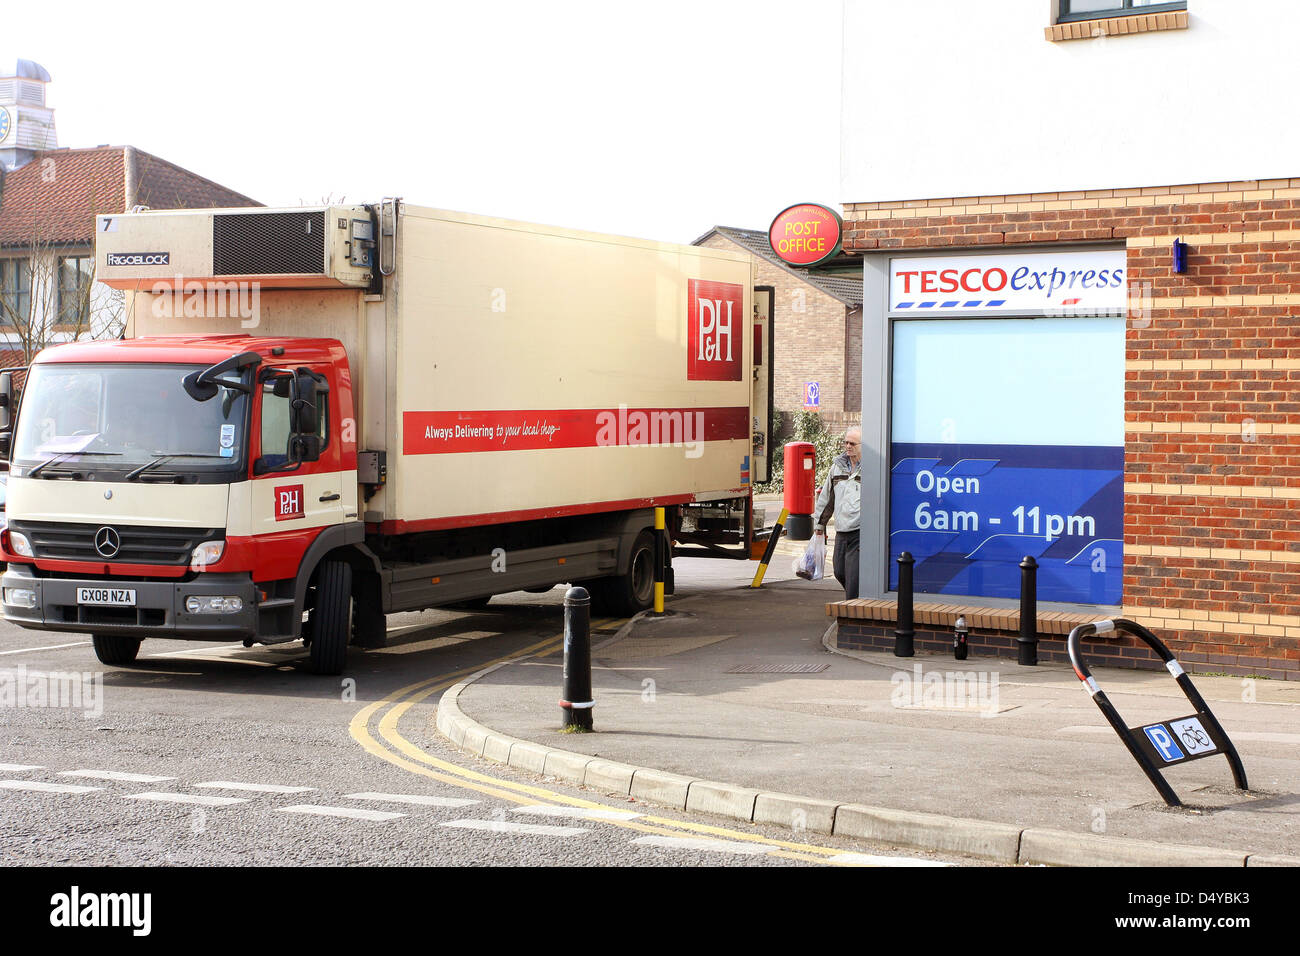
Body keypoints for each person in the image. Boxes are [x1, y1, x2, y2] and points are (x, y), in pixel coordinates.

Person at [813, 427, 862, 599]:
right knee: (839, 571)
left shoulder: (871, 469)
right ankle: (857, 601)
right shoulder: (837, 467)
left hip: (860, 531)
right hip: (841, 531)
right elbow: (827, 499)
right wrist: (819, 525)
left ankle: (852, 615)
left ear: (863, 446)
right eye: (846, 442)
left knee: (854, 576)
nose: (848, 446)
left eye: (852, 443)